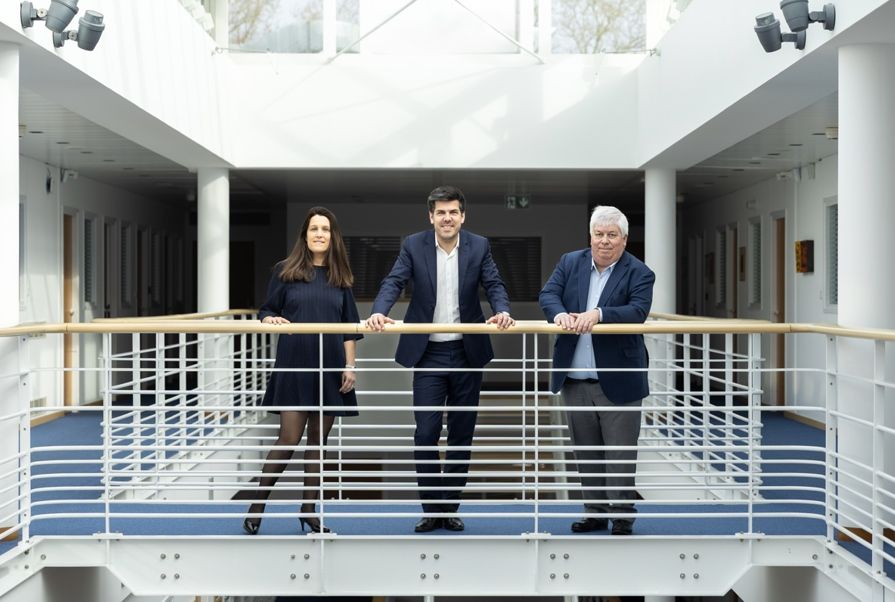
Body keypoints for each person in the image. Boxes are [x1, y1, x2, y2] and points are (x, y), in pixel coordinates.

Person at [366, 185, 514, 533]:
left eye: (453, 212)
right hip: (428, 353)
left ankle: (450, 508)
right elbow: (393, 281)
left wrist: (503, 311)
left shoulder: (479, 245)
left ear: (463, 216)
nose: (447, 218)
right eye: (441, 213)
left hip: (467, 352)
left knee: (462, 434)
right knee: (426, 433)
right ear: (430, 216)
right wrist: (378, 312)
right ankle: (432, 509)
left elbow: (494, 284)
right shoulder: (413, 245)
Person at [237, 206, 362, 535]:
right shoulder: (285, 271)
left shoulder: (340, 277)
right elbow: (267, 310)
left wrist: (350, 366)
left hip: (330, 366)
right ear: (304, 235)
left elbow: (350, 327)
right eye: (314, 229)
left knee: (318, 442)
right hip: (294, 363)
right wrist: (269, 318)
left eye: (326, 229)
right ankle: (257, 506)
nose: (320, 234)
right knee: (288, 438)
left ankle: (308, 510)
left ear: (333, 237)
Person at [539, 205, 654, 536]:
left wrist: (599, 314)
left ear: (624, 239)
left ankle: (622, 515)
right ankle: (594, 512)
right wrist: (559, 314)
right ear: (590, 236)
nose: (604, 241)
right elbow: (548, 294)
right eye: (599, 234)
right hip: (575, 378)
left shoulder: (640, 272)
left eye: (612, 235)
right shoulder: (570, 262)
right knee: (586, 451)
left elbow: (637, 311)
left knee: (620, 452)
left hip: (619, 378)